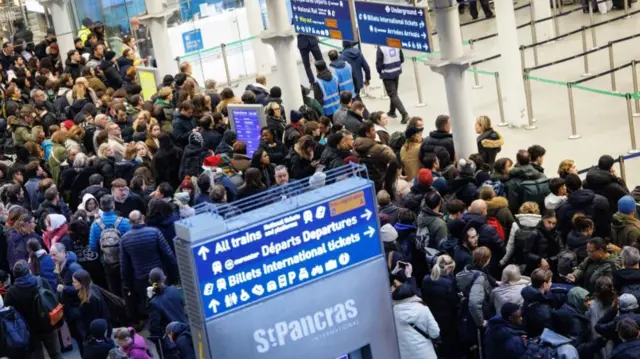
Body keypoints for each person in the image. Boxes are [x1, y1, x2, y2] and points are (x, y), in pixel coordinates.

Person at [121, 211, 178, 322]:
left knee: (150, 302)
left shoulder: (125, 239)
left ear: (129, 222)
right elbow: (168, 254)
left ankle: (157, 322)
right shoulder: (154, 232)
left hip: (141, 278)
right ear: (143, 217)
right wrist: (174, 272)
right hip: (158, 274)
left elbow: (124, 265)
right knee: (164, 297)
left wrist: (126, 282)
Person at [5, 260, 62, 359]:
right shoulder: (41, 281)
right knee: (55, 354)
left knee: (36, 355)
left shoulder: (11, 292)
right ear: (28, 271)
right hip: (47, 324)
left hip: (29, 329)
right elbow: (53, 298)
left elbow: (9, 310)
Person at [391, 261, 440, 359]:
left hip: (405, 354)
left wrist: (393, 273)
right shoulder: (422, 309)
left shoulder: (392, 313)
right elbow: (435, 333)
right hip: (425, 353)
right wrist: (409, 276)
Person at [89, 195, 131, 296]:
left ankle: (118, 308)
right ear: (113, 205)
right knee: (127, 287)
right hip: (124, 262)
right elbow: (131, 242)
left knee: (114, 290)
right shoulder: (124, 222)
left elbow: (92, 247)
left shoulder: (95, 225)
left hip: (107, 263)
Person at [421, 255, 460, 358]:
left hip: (432, 316)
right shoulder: (448, 283)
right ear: (449, 268)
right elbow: (453, 303)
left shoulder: (426, 279)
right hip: (447, 319)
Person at [51, 242, 85, 353]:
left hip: (77, 308)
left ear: (62, 252)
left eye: (54, 255)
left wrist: (64, 289)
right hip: (69, 308)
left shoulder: (73, 267)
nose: (52, 258)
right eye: (51, 255)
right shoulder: (59, 266)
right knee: (77, 337)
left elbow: (83, 287)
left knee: (82, 337)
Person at [557, 174, 611, 241]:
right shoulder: (602, 200)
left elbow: (564, 231)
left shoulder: (563, 209)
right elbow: (607, 222)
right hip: (600, 240)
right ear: (581, 183)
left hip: (578, 243)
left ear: (567, 188)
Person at [147, 268, 187, 341]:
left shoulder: (154, 302)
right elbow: (183, 305)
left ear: (150, 281)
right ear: (164, 278)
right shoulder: (174, 289)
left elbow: (154, 327)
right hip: (186, 330)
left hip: (173, 340)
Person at [500, 201, 541, 267]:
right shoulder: (541, 225)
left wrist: (502, 261)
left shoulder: (516, 224)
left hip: (519, 262)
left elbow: (510, 246)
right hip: (536, 263)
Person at [505, 149, 546, 214]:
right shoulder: (542, 177)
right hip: (538, 212)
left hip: (521, 213)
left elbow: (513, 204)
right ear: (530, 160)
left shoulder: (512, 182)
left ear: (517, 160)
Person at [375, 46, 409, 123]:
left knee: (393, 94)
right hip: (396, 71)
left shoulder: (381, 48)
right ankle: (392, 111)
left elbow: (379, 64)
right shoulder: (395, 44)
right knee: (394, 94)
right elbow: (402, 58)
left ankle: (404, 114)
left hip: (387, 73)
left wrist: (381, 72)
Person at [73, 269, 111, 336]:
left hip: (97, 332)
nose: (73, 284)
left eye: (75, 282)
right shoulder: (93, 288)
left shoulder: (89, 299)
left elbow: (90, 319)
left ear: (82, 283)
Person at [525, 210, 562, 274]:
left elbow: (562, 250)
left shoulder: (556, 235)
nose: (551, 226)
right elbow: (526, 253)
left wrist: (551, 259)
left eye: (553, 223)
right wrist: (540, 259)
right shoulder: (534, 233)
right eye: (549, 222)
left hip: (551, 266)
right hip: (535, 267)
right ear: (543, 220)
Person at [521, 268, 554, 337]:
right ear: (544, 284)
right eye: (550, 281)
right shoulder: (544, 309)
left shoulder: (528, 295)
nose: (551, 284)